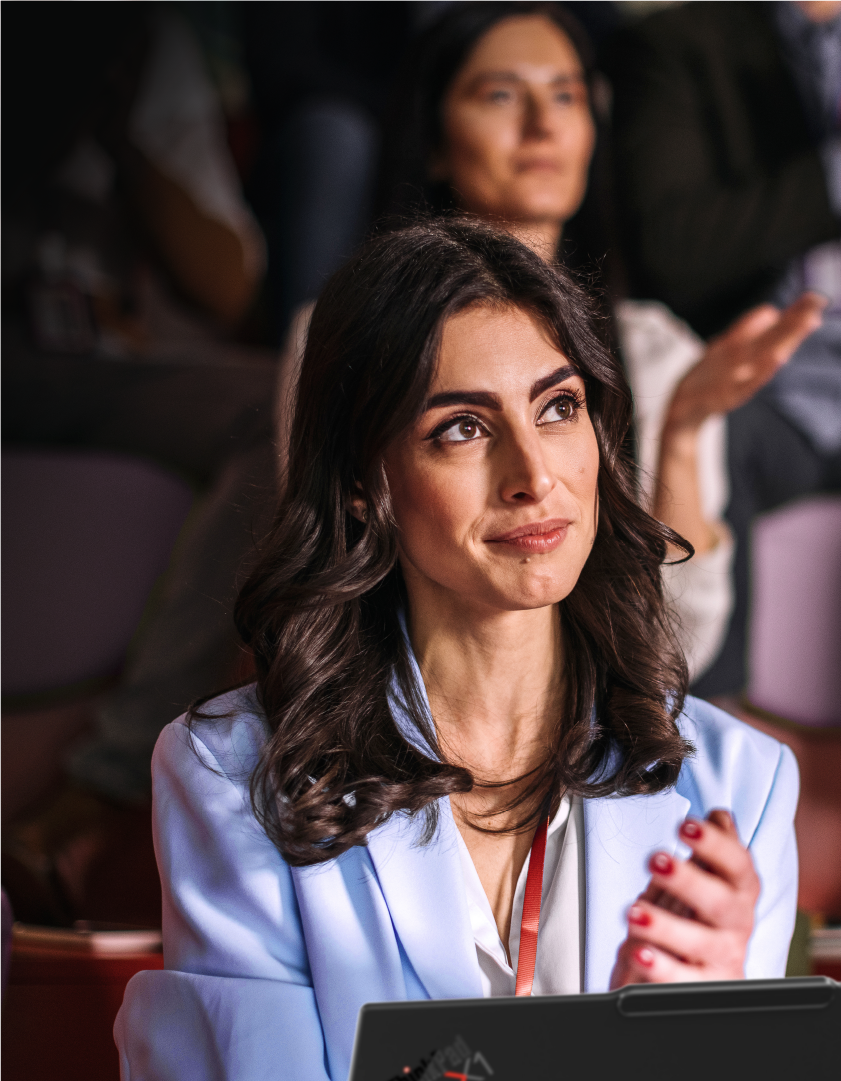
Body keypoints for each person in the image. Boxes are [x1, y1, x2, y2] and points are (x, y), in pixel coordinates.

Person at [116, 219, 798, 1080]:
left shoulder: (741, 785)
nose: (533, 474)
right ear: (365, 483)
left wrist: (695, 1042)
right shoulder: (232, 775)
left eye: (558, 407)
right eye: (463, 428)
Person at [277, 0, 825, 684]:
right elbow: (327, 587)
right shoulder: (339, 334)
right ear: (437, 139)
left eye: (566, 95)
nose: (543, 125)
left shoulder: (658, 353)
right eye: (501, 94)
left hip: (609, 735)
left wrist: (682, 430)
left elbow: (682, 647)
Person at [605, 0, 841, 695]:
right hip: (774, 391)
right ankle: (701, 746)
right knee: (710, 437)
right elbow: (673, 249)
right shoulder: (677, 46)